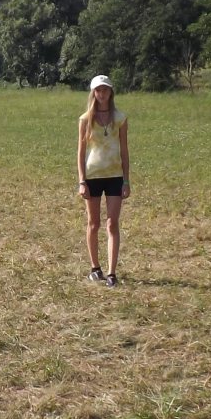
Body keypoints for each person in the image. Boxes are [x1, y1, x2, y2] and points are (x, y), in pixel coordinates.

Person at [76, 74, 131, 286]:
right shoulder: (85, 119)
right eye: (98, 90)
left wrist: (126, 181)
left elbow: (124, 150)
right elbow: (81, 152)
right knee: (94, 223)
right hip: (93, 176)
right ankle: (95, 268)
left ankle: (111, 273)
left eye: (105, 90)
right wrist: (82, 181)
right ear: (93, 93)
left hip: (115, 176)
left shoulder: (120, 118)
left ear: (111, 92)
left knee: (112, 223)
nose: (102, 94)